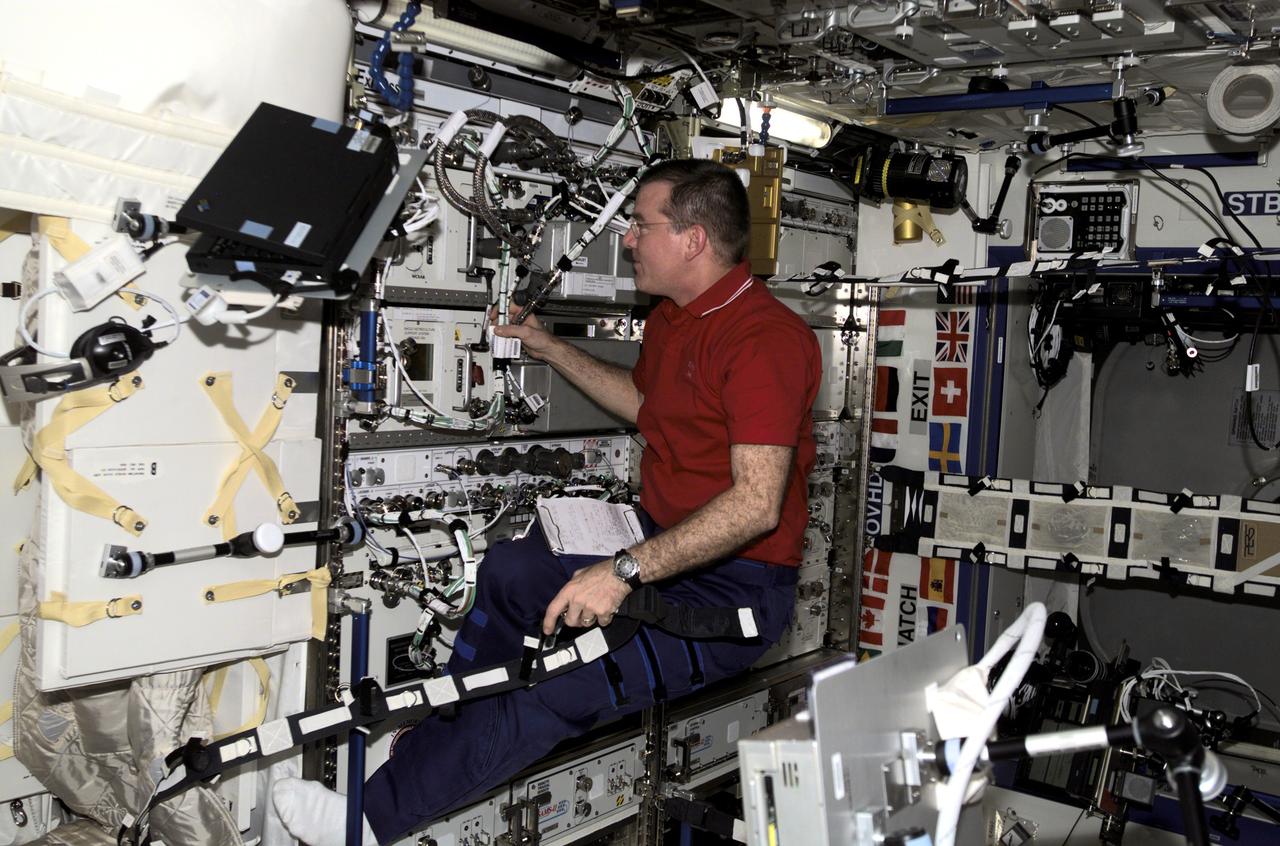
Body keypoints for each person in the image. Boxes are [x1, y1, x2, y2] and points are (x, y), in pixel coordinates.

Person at [273, 158, 823, 845]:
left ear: (692, 241)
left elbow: (755, 507)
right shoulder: (675, 318)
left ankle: (362, 827)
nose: (626, 237)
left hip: (730, 592)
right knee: (508, 572)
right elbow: (652, 408)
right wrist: (547, 346)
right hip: (660, 540)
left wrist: (622, 570)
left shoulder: (766, 339)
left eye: (641, 224)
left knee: (557, 686)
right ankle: (440, 739)